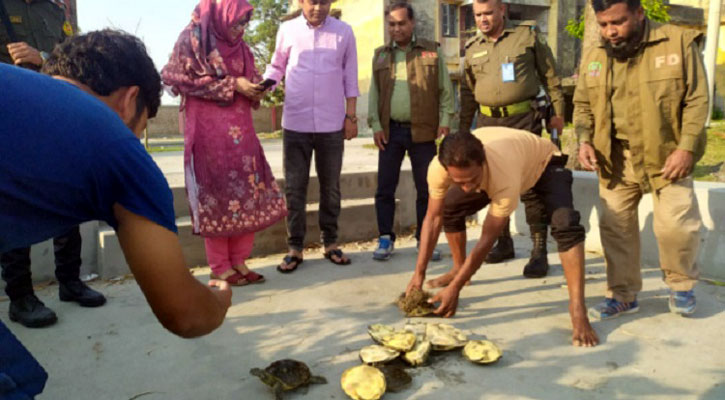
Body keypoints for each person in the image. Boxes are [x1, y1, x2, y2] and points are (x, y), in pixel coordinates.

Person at [0, 30, 232, 339]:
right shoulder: (118, 148)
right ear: (130, 100)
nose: (136, 139)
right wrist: (219, 301)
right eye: (143, 125)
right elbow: (187, 315)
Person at [574, 0, 707, 318]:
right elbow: (582, 104)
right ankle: (623, 294)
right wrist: (584, 140)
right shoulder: (595, 55)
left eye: (617, 23)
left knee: (676, 226)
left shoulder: (676, 41)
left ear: (639, 13)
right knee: (616, 228)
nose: (610, 32)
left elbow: (697, 99)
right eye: (603, 24)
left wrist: (686, 147)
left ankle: (681, 287)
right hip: (615, 157)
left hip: (667, 153)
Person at [406, 129, 599, 347]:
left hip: (543, 162)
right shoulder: (438, 168)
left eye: (471, 180)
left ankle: (577, 308)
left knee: (566, 223)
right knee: (449, 207)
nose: (467, 188)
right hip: (511, 162)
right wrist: (418, 273)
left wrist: (455, 288)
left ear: (483, 163)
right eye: (459, 182)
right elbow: (433, 218)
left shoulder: (502, 173)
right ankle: (459, 270)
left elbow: (487, 239)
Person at [161, 0, 286, 287]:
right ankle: (219, 267)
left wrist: (255, 88)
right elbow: (178, 79)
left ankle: (239, 261)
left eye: (245, 23)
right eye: (237, 22)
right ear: (220, 15)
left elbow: (249, 78)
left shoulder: (241, 47)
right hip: (208, 136)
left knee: (247, 193)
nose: (241, 28)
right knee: (217, 196)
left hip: (241, 135)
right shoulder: (193, 39)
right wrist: (232, 84)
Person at [0, 0, 105, 329]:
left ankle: (70, 282)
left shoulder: (56, 12)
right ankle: (21, 297)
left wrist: (40, 58)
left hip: (50, 112)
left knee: (63, 198)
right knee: (17, 205)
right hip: (10, 114)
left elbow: (74, 64)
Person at [450, 0, 565, 282]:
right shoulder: (472, 47)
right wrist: (463, 131)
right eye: (478, 15)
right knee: (489, 182)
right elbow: (467, 94)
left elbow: (551, 77)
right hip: (488, 123)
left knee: (531, 185)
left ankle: (539, 251)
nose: (483, 19)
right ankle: (503, 243)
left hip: (523, 120)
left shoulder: (527, 36)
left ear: (502, 9)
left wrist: (559, 114)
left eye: (488, 13)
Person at [263, 0, 359, 272]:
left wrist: (350, 116)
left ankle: (331, 243)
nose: (318, 7)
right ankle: (295, 247)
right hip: (296, 122)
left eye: (324, 1)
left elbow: (349, 76)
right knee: (294, 188)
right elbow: (276, 67)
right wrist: (262, 87)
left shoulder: (344, 32)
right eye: (312, 1)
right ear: (301, 2)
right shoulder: (287, 30)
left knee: (331, 187)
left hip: (331, 124)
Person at [367, 2, 454, 262]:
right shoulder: (381, 55)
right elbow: (375, 93)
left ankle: (424, 239)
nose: (396, 28)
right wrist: (376, 125)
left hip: (424, 132)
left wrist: (446, 119)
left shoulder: (431, 51)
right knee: (384, 188)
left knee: (427, 189)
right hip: (391, 132)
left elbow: (445, 90)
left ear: (412, 23)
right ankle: (385, 238)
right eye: (391, 24)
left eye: (401, 23)